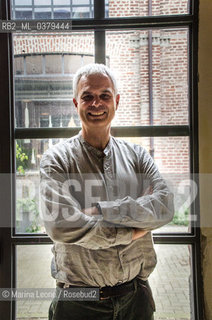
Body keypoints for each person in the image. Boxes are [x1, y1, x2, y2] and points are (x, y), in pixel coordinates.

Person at [40, 63, 174, 320]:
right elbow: (60, 226)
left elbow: (165, 206)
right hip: (78, 303)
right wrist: (132, 230)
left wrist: (103, 210)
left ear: (117, 101)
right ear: (75, 103)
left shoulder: (138, 156)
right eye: (87, 96)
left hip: (136, 299)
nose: (96, 104)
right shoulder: (56, 160)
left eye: (105, 96)